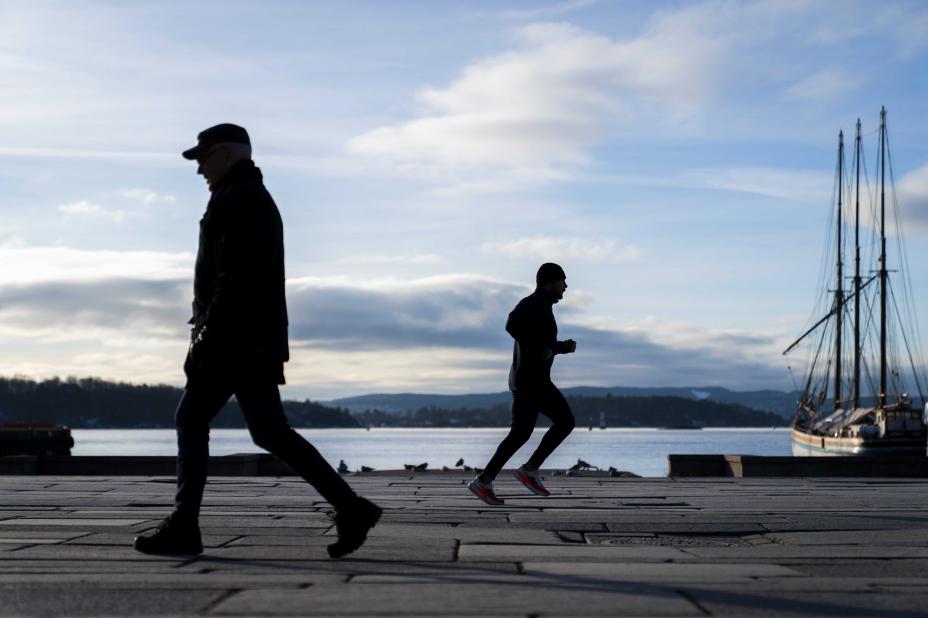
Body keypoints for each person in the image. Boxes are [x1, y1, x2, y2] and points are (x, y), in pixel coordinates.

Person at [134, 123, 381, 558]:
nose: (199, 169)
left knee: (193, 419)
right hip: (251, 338)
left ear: (228, 154)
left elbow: (235, 276)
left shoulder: (240, 199)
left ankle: (184, 526)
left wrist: (206, 335)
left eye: (204, 158)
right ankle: (350, 507)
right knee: (269, 431)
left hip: (233, 337)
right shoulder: (244, 196)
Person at [468, 263, 577, 505]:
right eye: (563, 281)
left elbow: (541, 343)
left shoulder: (543, 306)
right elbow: (512, 324)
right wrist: (541, 348)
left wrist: (561, 348)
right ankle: (530, 469)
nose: (566, 286)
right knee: (565, 422)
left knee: (520, 434)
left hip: (524, 380)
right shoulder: (533, 303)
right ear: (550, 282)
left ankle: (483, 481)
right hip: (533, 381)